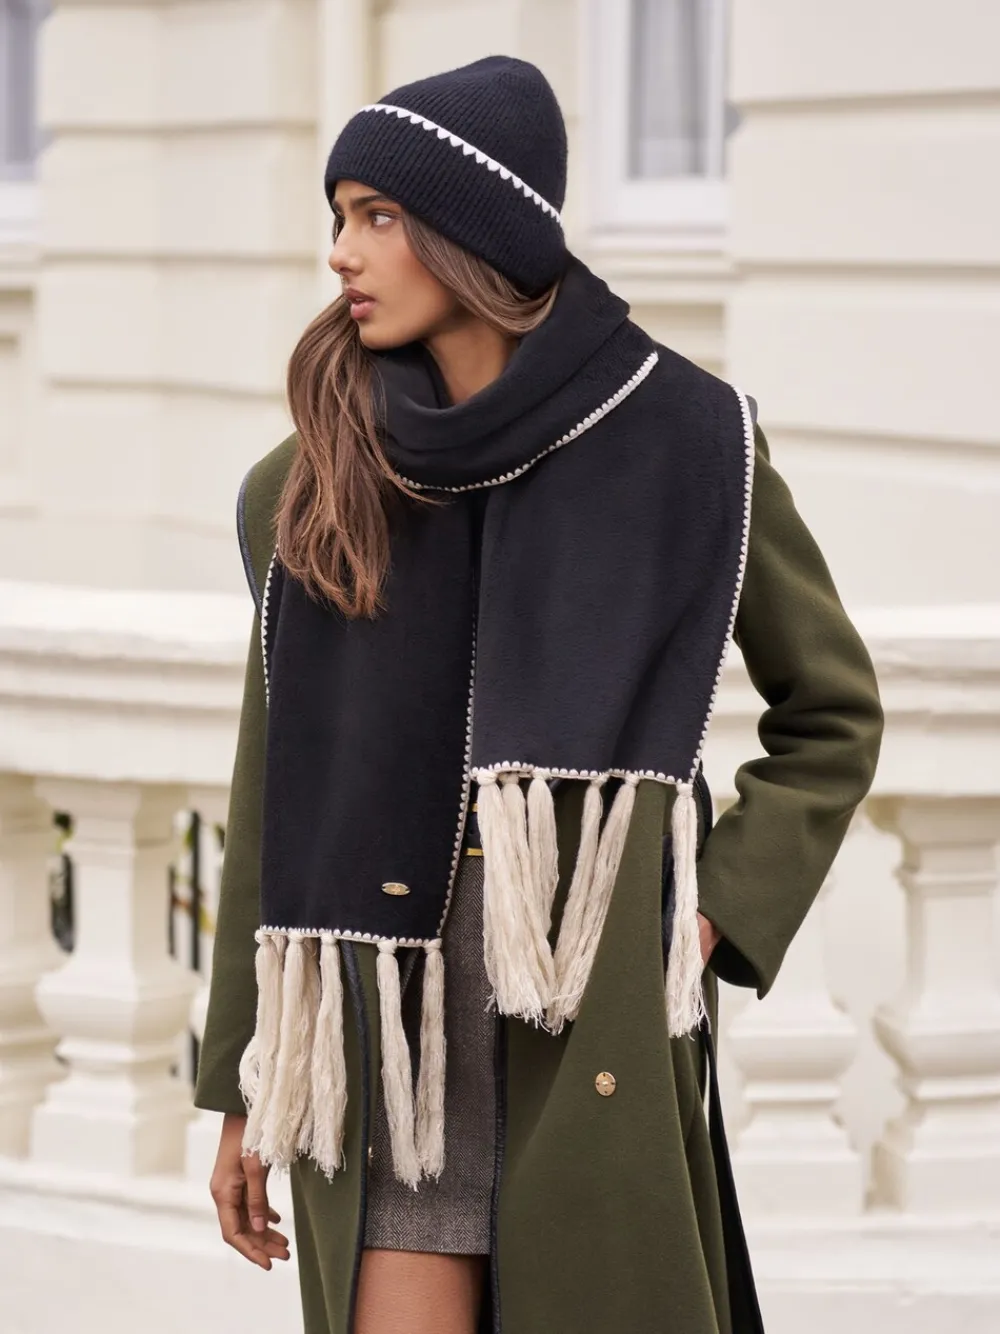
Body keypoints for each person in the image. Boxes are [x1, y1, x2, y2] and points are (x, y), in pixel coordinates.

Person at [194, 55, 884, 1334]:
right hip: (389, 1050)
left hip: (584, 1021)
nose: (342, 251)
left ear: (478, 235)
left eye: (378, 215)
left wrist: (707, 914)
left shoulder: (686, 442)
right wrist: (244, 1080)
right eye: (339, 216)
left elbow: (830, 713)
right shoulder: (316, 478)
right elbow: (274, 787)